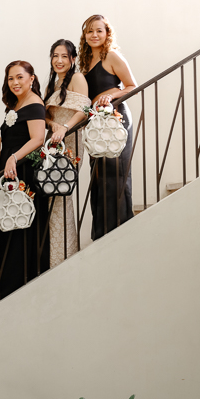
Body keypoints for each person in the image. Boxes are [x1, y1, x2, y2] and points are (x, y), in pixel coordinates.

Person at [0, 61, 50, 304]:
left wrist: (13, 157)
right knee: (7, 228)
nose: (14, 82)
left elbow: (38, 138)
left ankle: (22, 295)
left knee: (21, 230)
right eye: (10, 78)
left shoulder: (35, 103)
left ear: (31, 79)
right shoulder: (13, 105)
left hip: (24, 173)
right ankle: (4, 296)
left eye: (19, 77)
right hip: (9, 174)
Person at [79, 15, 138, 240]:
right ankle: (102, 235)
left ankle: (121, 232)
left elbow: (132, 86)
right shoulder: (84, 62)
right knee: (98, 176)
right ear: (85, 35)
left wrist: (110, 96)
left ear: (107, 33)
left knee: (117, 173)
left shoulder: (111, 56)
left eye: (99, 30)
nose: (94, 35)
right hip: (96, 123)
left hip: (115, 117)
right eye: (90, 31)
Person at [44, 39, 90, 267]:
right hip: (52, 141)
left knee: (62, 194)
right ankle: (50, 257)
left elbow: (84, 110)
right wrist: (53, 124)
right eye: (55, 56)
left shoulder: (77, 78)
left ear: (72, 59)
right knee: (50, 197)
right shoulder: (53, 84)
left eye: (64, 56)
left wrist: (64, 127)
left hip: (70, 139)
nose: (59, 60)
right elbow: (45, 115)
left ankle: (64, 257)